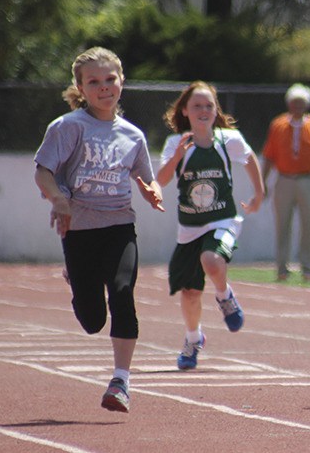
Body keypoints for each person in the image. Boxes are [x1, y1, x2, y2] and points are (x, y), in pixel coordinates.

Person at [34, 46, 164, 413]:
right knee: (92, 321)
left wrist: (151, 191)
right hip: (79, 229)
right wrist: (59, 201)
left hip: (120, 224)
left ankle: (121, 381)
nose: (104, 87)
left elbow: (145, 176)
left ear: (122, 82)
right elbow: (43, 171)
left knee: (123, 290)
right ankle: (77, 279)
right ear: (80, 87)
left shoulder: (133, 136)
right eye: (94, 82)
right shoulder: (68, 126)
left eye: (111, 79)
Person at [157, 81, 264, 371]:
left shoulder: (228, 140)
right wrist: (178, 155)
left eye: (208, 105)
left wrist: (259, 193)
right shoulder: (175, 144)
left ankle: (224, 296)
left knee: (212, 260)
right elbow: (162, 179)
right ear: (185, 111)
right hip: (189, 227)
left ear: (216, 110)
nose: (203, 110)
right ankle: (193, 339)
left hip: (223, 220)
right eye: (197, 106)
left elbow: (250, 158)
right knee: (190, 294)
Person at [261, 83, 310, 282]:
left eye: (301, 103)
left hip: (306, 180)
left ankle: (308, 267)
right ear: (288, 104)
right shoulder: (277, 125)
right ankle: (282, 267)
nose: (297, 107)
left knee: (309, 225)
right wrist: (263, 182)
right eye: (294, 103)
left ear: (307, 105)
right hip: (283, 179)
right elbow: (268, 156)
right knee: (282, 225)